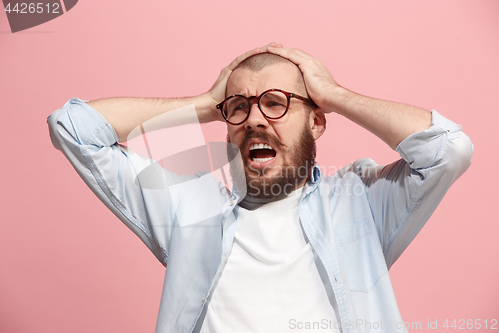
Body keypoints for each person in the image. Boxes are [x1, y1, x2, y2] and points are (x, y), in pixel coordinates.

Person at [47, 43, 473, 333]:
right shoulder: (184, 205)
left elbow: (448, 150)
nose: (254, 119)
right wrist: (204, 103)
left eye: (275, 102)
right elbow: (74, 128)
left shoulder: (361, 199)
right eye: (239, 107)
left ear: (316, 120)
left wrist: (336, 94)